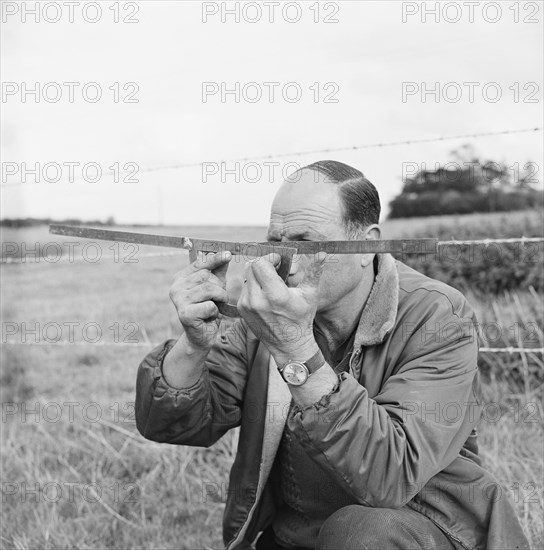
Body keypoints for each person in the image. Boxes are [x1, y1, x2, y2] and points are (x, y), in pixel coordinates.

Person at [135, 161, 529, 550]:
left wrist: (294, 348)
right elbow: (170, 424)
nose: (283, 263)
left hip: (415, 530)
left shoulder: (436, 314)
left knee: (360, 532)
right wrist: (194, 344)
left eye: (305, 243)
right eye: (275, 243)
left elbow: (390, 476)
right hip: (297, 537)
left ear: (367, 245)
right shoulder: (264, 315)